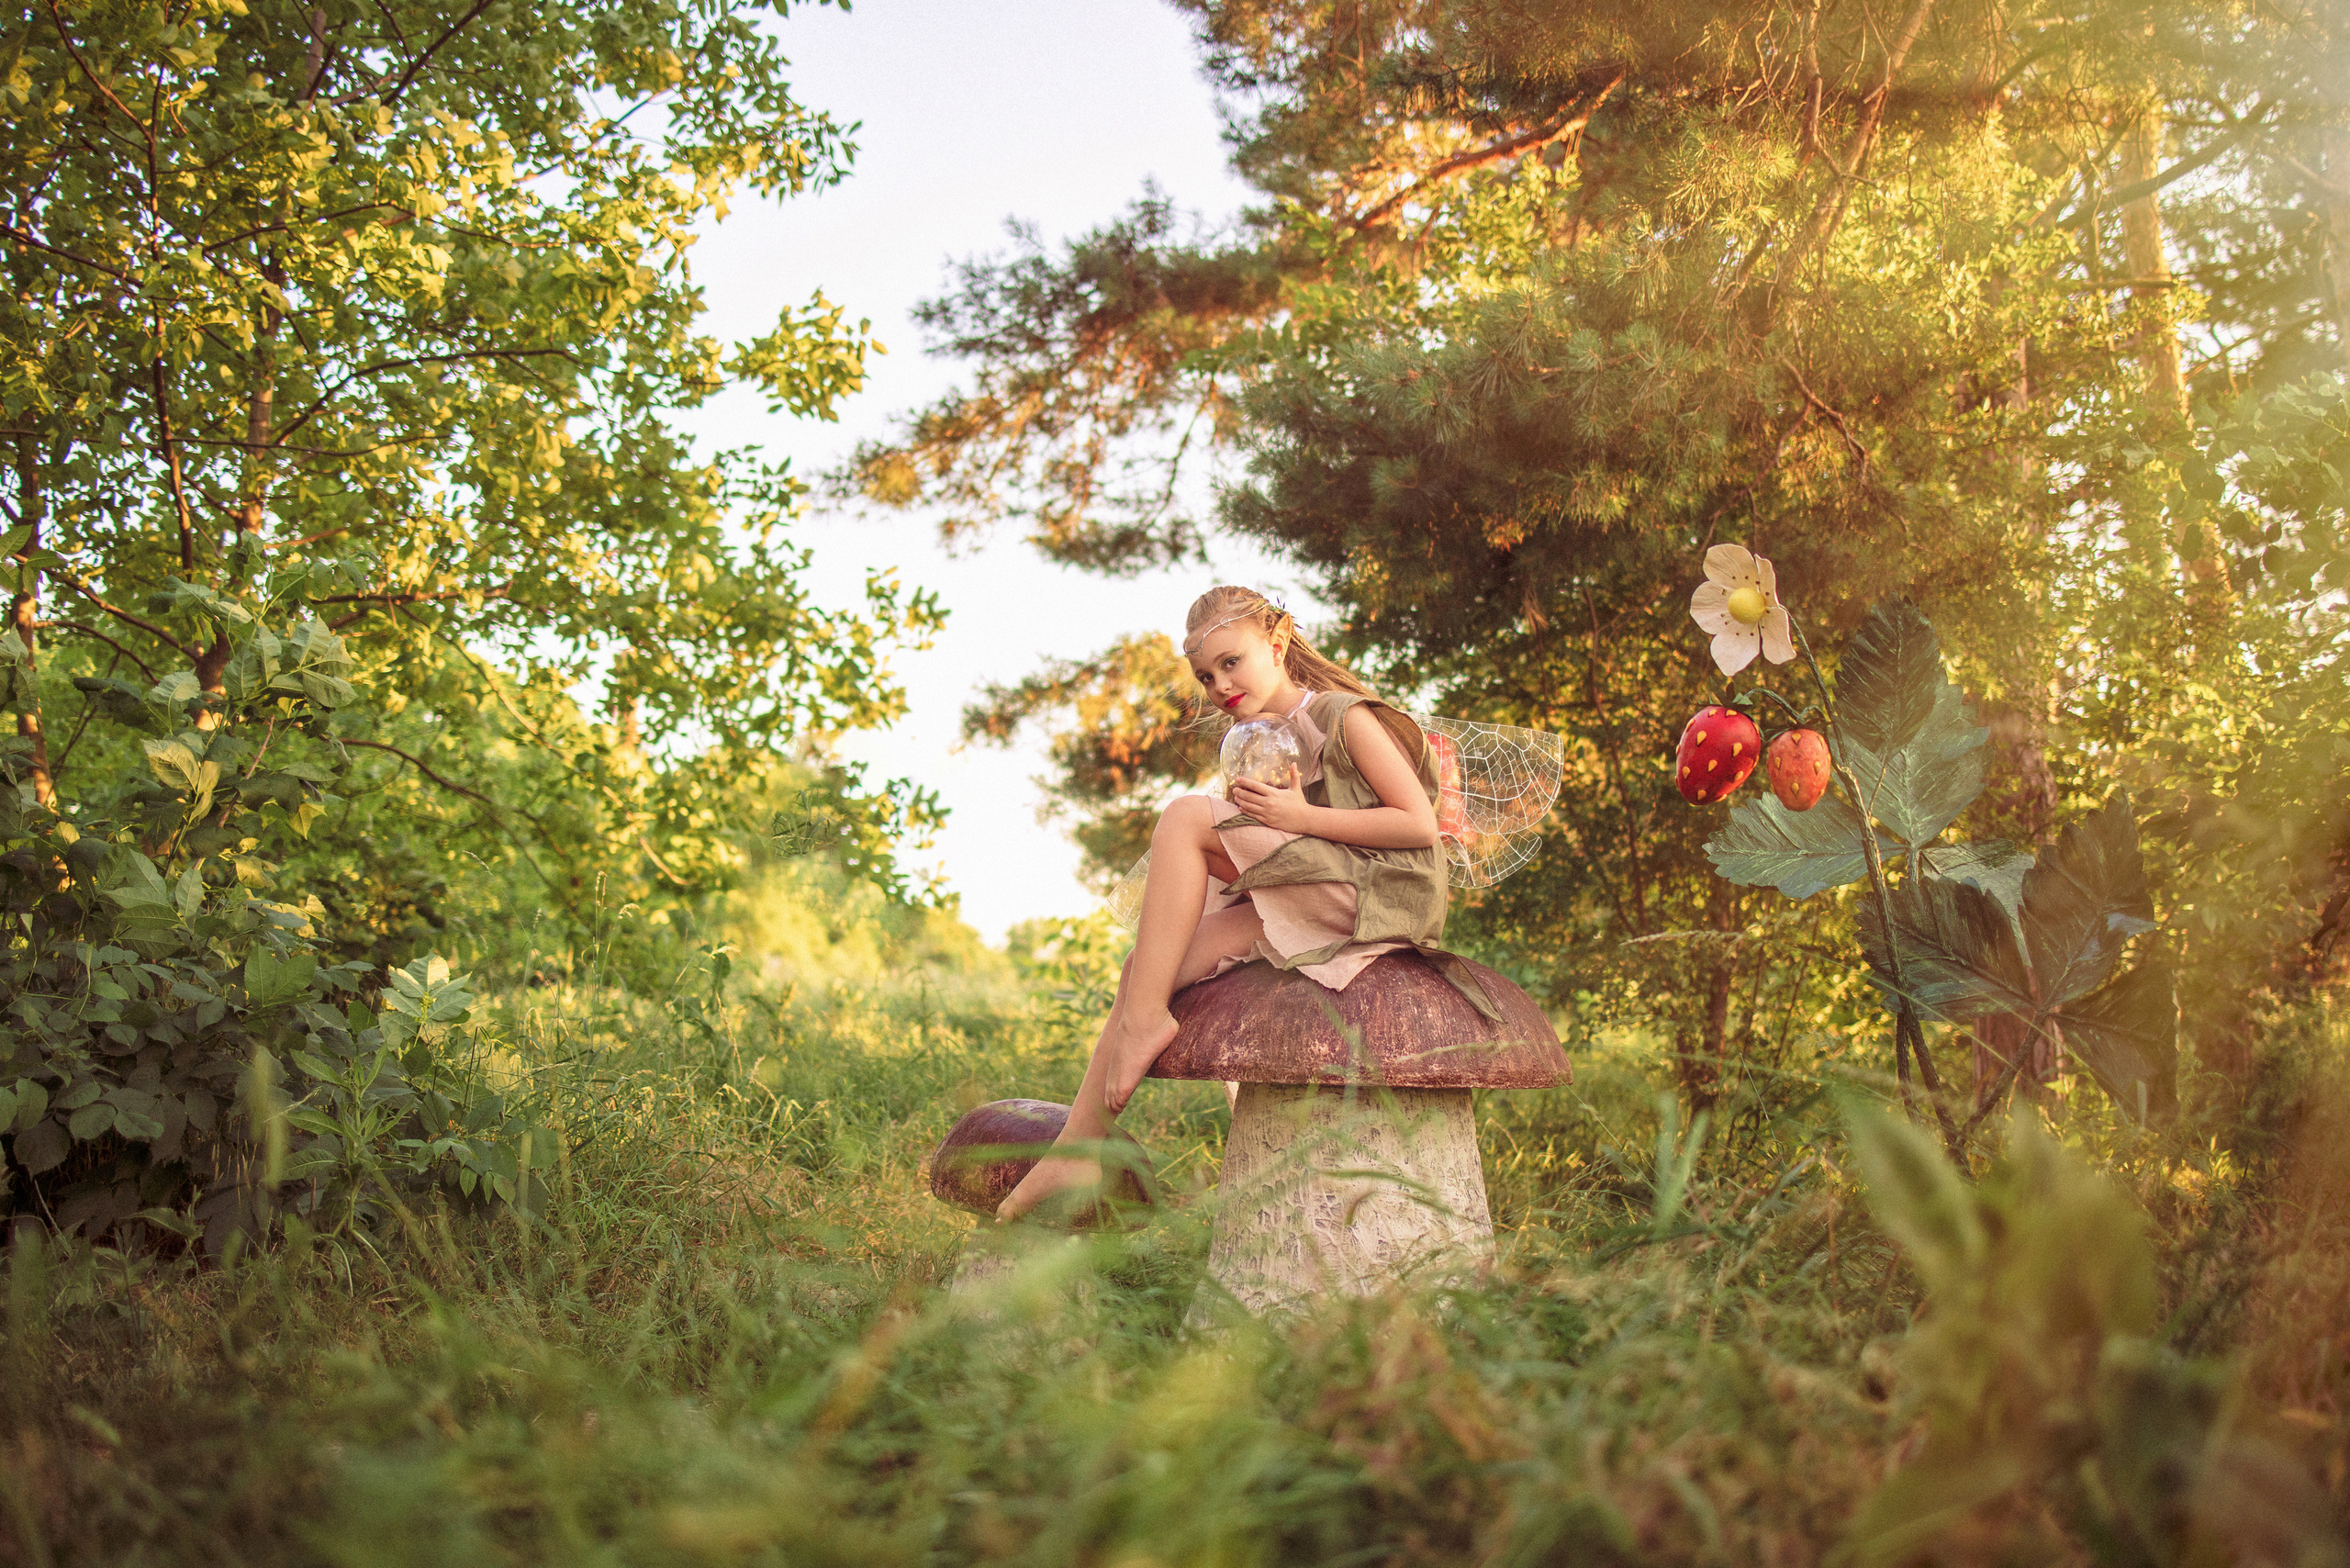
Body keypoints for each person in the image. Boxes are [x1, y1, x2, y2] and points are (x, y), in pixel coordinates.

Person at [996, 585, 1462, 1222]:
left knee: (1187, 817)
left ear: (1276, 642)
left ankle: (1141, 1033)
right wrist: (1284, 821)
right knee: (1145, 973)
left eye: (1231, 662)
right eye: (1205, 675)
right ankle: (1079, 1145)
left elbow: (1417, 827)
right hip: (1321, 883)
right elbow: (1275, 843)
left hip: (1378, 893)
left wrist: (1297, 815)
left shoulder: (1343, 716)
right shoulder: (1260, 739)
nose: (1218, 683)